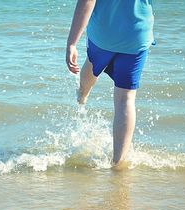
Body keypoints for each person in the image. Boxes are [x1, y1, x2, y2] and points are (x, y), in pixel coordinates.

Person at [66, 0, 154, 168]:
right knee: (125, 100)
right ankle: (117, 163)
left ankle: (82, 94)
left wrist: (71, 43)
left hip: (103, 35)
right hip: (137, 35)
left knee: (93, 63)